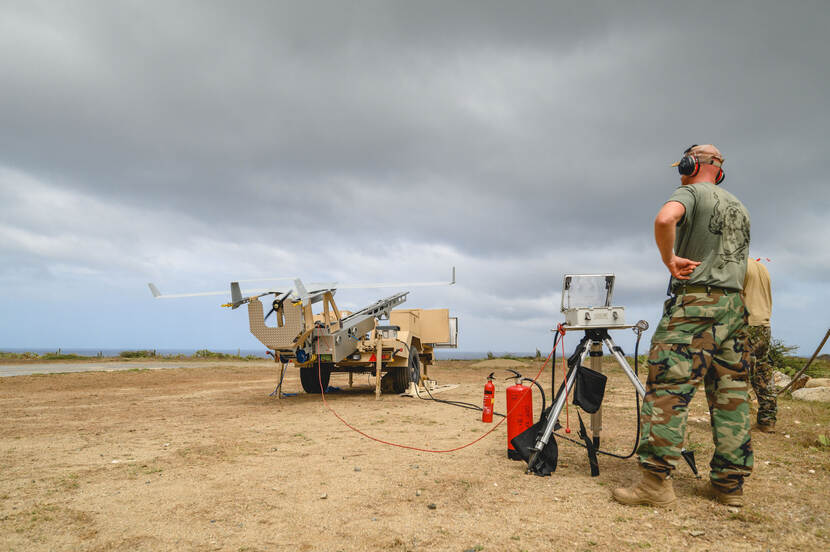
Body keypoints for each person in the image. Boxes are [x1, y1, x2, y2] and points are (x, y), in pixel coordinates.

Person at [612, 144, 753, 508]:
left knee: (668, 392)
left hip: (696, 307)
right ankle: (729, 486)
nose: (680, 172)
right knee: (731, 397)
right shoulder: (740, 207)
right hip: (735, 309)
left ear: (692, 165)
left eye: (683, 165)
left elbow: (664, 219)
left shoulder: (689, 192)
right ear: (719, 170)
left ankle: (655, 484)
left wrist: (669, 259)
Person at [743, 257, 777, 432]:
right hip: (764, 325)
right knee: (763, 372)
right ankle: (767, 420)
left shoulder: (738, 266)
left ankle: (734, 422)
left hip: (745, 324)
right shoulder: (762, 267)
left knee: (735, 372)